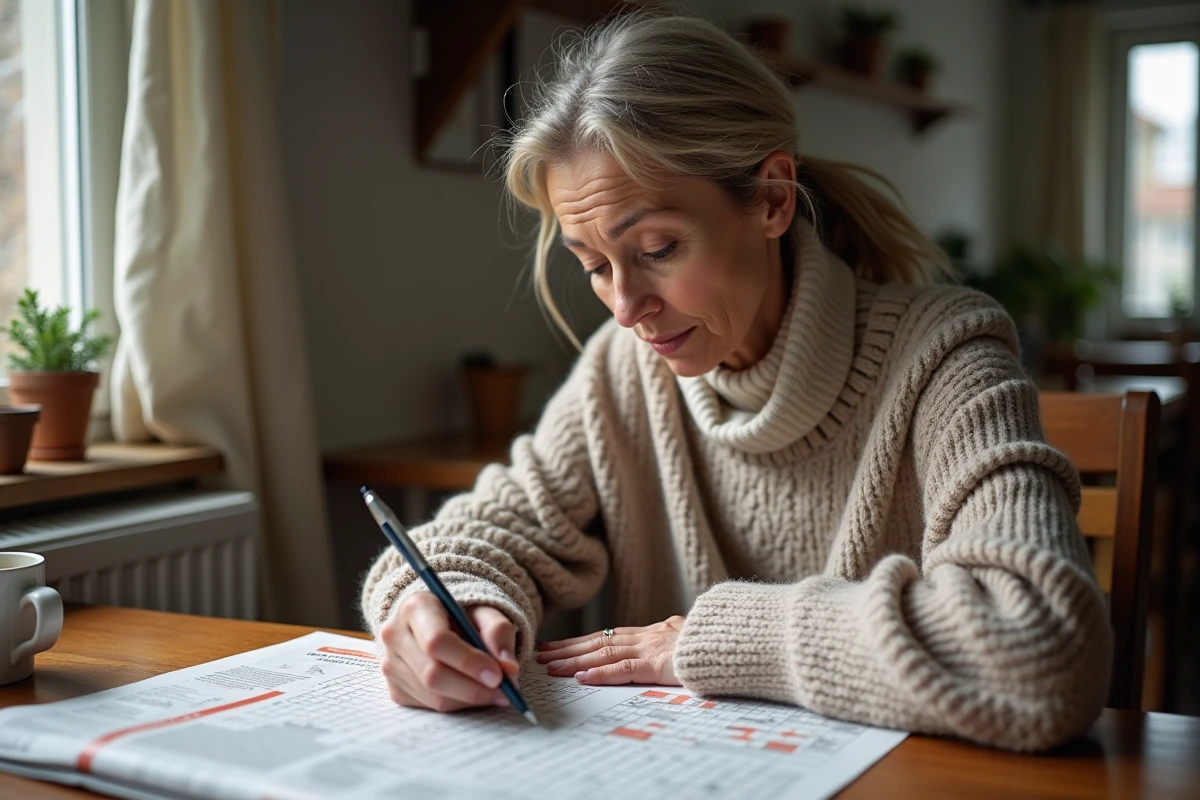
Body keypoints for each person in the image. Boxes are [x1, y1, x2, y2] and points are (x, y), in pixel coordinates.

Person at [361, 13, 1109, 752]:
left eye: (658, 248)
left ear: (773, 199)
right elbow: (490, 531)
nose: (625, 307)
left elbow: (1041, 649)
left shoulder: (949, 356)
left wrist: (704, 640)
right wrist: (443, 606)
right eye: (593, 265)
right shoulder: (623, 369)